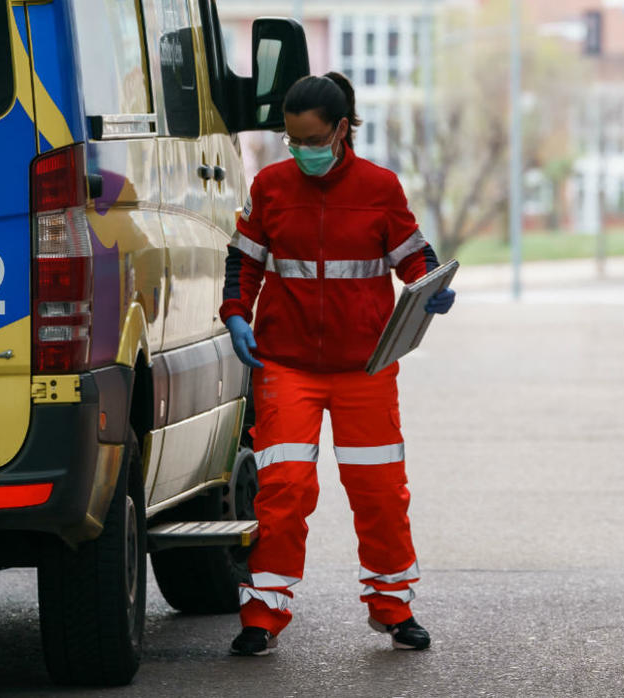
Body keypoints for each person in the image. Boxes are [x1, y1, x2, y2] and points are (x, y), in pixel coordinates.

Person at [219, 72, 455, 656]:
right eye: (292, 141)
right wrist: (235, 313)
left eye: (312, 140)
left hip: (365, 368)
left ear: (341, 130)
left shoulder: (380, 187)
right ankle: (263, 613)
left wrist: (431, 285)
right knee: (284, 488)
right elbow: (243, 260)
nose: (302, 152)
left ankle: (393, 606)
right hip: (286, 365)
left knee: (378, 490)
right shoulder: (269, 187)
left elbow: (411, 255)